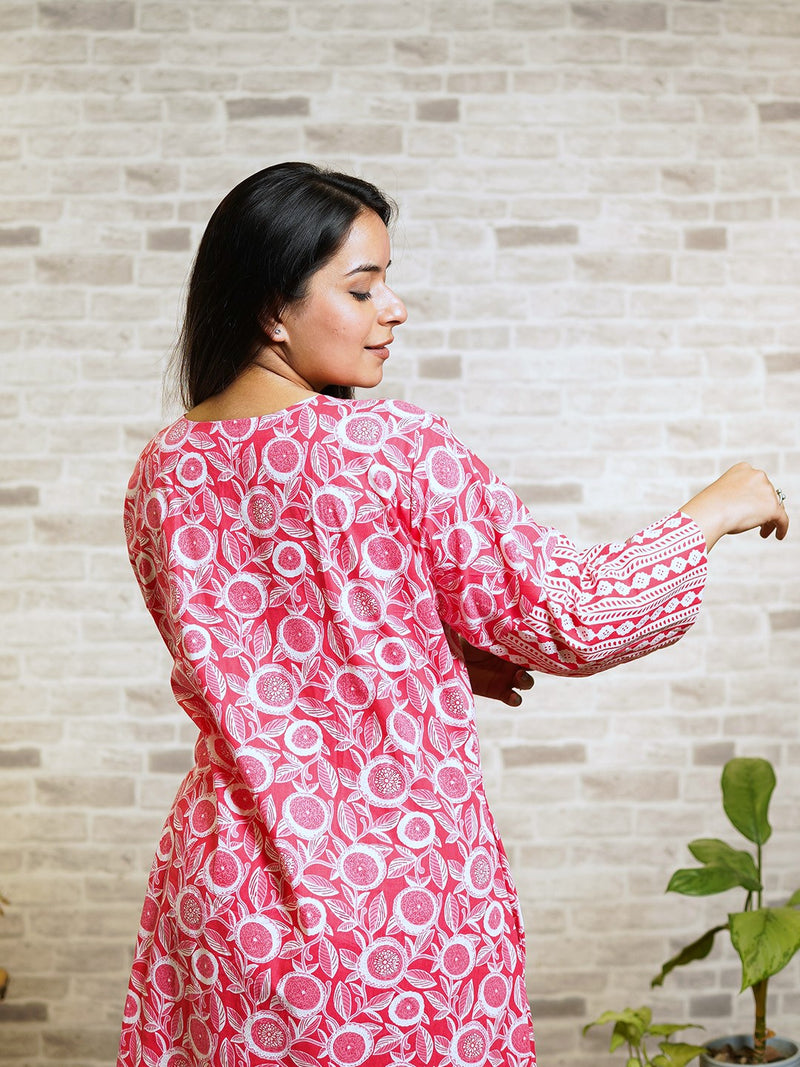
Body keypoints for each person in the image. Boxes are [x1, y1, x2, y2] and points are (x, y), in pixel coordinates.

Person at [118, 162, 788, 1067]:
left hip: (222, 898)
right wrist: (713, 509)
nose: (393, 310)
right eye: (363, 289)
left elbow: (258, 650)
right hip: (384, 911)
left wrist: (425, 650)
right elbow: (579, 616)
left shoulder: (163, 468)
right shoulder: (391, 450)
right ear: (273, 308)